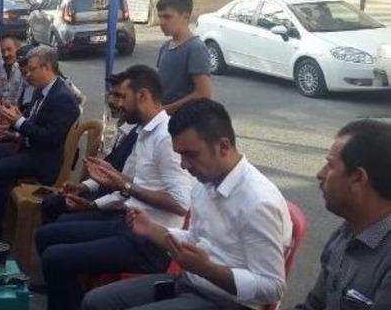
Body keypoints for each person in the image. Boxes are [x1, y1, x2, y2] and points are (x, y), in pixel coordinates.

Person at [82, 99, 292, 310]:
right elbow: (196, 239)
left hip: (227, 301)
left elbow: (273, 287)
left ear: (224, 146)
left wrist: (207, 269)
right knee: (96, 302)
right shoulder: (204, 184)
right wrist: (153, 230)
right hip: (190, 283)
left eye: (190, 155)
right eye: (180, 155)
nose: (184, 165)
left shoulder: (258, 202)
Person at [35, 65, 194, 310]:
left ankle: (67, 296)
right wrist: (92, 200)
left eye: (122, 96)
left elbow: (181, 204)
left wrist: (125, 185)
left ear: (143, 96)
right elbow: (126, 188)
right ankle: (66, 295)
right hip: (126, 223)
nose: (116, 103)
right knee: (47, 235)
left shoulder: (165, 138)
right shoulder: (143, 131)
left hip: (150, 243)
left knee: (56, 257)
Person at [0, 45, 80, 240]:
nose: (27, 74)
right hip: (28, 147)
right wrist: (12, 131)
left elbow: (50, 138)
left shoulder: (62, 98)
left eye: (31, 70)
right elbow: (30, 121)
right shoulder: (42, 90)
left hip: (43, 159)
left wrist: (18, 122)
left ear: (46, 67)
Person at [293, 120, 391, 310]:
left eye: (330, 166)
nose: (320, 174)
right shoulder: (347, 232)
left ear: (358, 178)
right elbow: (314, 306)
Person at [39, 72, 138, 226]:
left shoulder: (138, 136)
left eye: (120, 96)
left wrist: (93, 204)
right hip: (104, 194)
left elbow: (126, 190)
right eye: (111, 95)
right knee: (52, 203)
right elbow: (106, 176)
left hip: (117, 207)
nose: (112, 101)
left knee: (59, 224)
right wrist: (82, 186)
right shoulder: (119, 129)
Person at [155, 0, 212, 114]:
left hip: (183, 123)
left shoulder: (195, 49)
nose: (162, 22)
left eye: (167, 16)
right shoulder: (165, 47)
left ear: (185, 17)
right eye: (160, 16)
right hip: (163, 121)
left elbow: (203, 94)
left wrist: (164, 110)